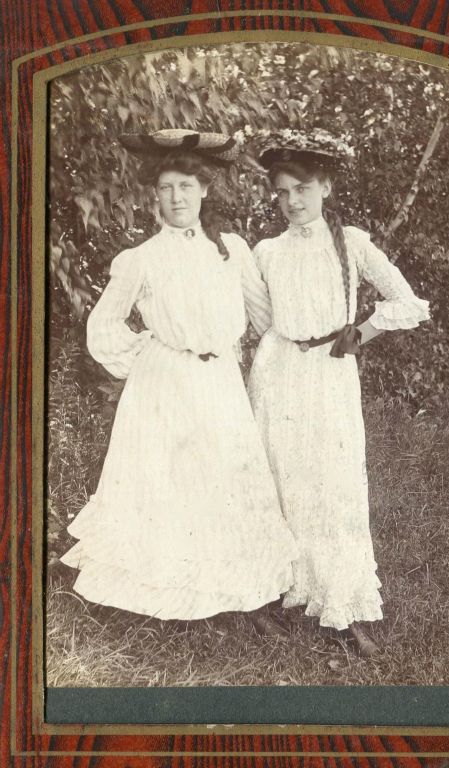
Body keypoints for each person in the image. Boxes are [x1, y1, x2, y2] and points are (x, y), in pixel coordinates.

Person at [61, 129, 297, 629]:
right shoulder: (140, 259)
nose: (176, 198)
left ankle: (246, 596)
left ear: (205, 190)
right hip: (164, 384)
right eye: (167, 188)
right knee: (167, 484)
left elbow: (265, 317)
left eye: (186, 187)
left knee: (231, 478)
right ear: (156, 194)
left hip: (220, 382)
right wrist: (144, 353)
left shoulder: (231, 249)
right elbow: (102, 326)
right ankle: (164, 593)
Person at [247, 129, 430, 655]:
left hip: (330, 374)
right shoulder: (266, 251)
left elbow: (408, 302)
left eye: (302, 187)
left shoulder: (352, 243)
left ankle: (342, 610)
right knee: (281, 477)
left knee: (334, 486)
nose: (292, 201)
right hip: (279, 372)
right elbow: (262, 321)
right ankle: (275, 591)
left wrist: (360, 333)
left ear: (326, 186)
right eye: (281, 192)